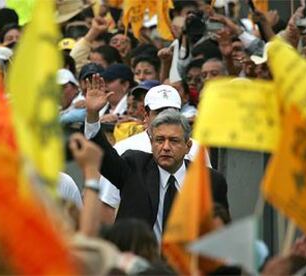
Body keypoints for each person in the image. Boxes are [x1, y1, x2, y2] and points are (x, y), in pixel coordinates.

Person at [84, 74, 229, 242]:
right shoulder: (134, 166)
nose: (166, 147)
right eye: (159, 140)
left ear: (187, 145)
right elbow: (104, 157)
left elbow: (220, 235)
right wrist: (93, 115)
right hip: (139, 262)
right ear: (151, 142)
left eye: (174, 141)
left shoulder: (212, 181)